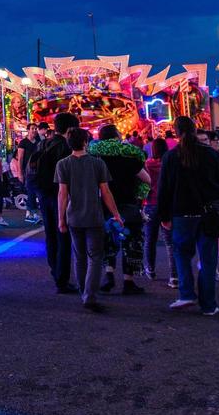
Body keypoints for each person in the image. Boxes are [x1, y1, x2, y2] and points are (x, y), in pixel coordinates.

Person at [158, 115, 219, 315]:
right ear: (195, 130)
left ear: (176, 133)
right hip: (209, 213)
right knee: (208, 259)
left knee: (182, 255)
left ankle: (186, 294)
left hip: (181, 214)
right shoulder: (212, 155)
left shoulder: (170, 157)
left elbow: (164, 189)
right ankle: (209, 304)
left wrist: (163, 216)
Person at [55, 127, 123, 313]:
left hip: (73, 216)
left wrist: (60, 219)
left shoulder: (63, 164)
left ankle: (83, 290)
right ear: (86, 142)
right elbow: (105, 191)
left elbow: (62, 194)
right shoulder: (97, 163)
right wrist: (116, 213)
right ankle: (89, 295)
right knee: (95, 256)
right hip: (94, 216)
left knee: (79, 256)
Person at [88, 123, 150, 294]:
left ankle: (108, 275)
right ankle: (128, 282)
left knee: (107, 240)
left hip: (103, 205)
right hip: (128, 204)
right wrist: (140, 196)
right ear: (117, 137)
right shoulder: (130, 156)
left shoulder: (95, 157)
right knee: (131, 242)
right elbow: (147, 180)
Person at [32, 112, 77, 293]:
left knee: (50, 234)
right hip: (60, 195)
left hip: (43, 194)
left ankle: (55, 270)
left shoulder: (43, 144)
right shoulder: (66, 147)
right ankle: (62, 279)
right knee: (63, 236)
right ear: (70, 128)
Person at [141, 137, 168, 283]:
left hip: (150, 204)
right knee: (170, 241)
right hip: (166, 204)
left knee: (150, 239)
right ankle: (174, 275)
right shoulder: (168, 164)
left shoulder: (147, 164)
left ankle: (150, 269)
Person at [16, 122, 43, 224]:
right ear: (28, 130)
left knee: (34, 191)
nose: (35, 130)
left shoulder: (39, 141)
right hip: (28, 171)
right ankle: (34, 213)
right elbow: (20, 159)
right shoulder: (23, 143)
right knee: (32, 191)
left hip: (38, 170)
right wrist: (20, 173)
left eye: (36, 128)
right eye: (32, 128)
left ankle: (29, 213)